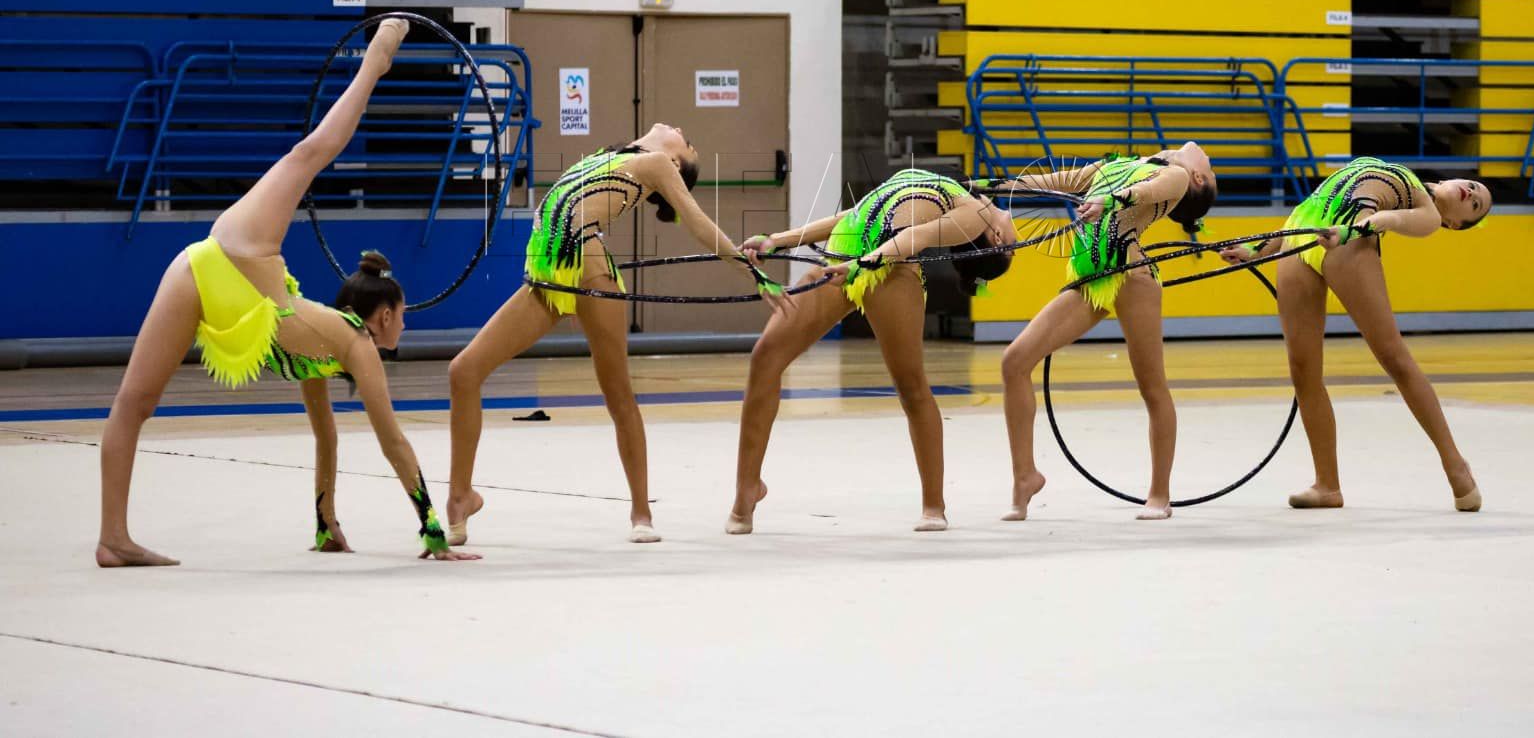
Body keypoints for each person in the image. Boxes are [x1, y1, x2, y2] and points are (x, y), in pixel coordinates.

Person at [97, 19, 477, 566]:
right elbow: (394, 443)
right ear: (386, 314)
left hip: (203, 273)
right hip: (243, 256)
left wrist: (326, 525)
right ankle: (376, 60)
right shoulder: (356, 344)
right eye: (404, 313)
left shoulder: (324, 348)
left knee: (134, 403)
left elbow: (327, 441)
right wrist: (434, 534)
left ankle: (113, 537)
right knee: (312, 153)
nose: (406, 323)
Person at [447, 125, 788, 545]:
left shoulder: (659, 165)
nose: (682, 129)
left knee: (618, 394)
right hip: (548, 272)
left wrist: (751, 273)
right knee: (463, 371)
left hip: (589, 266)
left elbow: (698, 224)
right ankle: (460, 496)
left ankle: (641, 513)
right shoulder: (609, 155)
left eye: (690, 139)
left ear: (678, 161)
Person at [726, 169, 1018, 534]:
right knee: (765, 357)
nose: (1013, 221)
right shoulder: (964, 196)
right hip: (842, 261)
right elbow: (852, 215)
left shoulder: (971, 217)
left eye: (1013, 234)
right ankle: (747, 491)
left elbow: (916, 236)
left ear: (997, 238)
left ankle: (933, 505)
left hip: (890, 273)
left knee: (911, 387)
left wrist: (863, 264)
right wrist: (777, 240)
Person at [1220, 157, 1489, 511]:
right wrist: (1256, 249)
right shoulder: (1405, 173)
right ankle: (1327, 485)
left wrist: (1353, 231)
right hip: (1299, 239)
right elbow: (1309, 209)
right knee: (1303, 370)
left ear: (1454, 224)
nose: (1471, 191)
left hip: (1346, 243)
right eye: (1473, 186)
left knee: (1393, 356)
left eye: (1475, 204)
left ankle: (1455, 465)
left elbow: (1387, 219)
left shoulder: (1430, 214)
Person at [997, 143, 1218, 521]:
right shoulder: (1126, 165)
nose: (1206, 156)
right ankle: (1025, 477)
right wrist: (1005, 186)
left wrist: (1110, 199)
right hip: (1092, 279)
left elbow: (1150, 191)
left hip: (1132, 278)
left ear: (1198, 178)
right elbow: (1065, 181)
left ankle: (1159, 494)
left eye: (1210, 167)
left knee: (1152, 387)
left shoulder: (1178, 177)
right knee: (1014, 361)